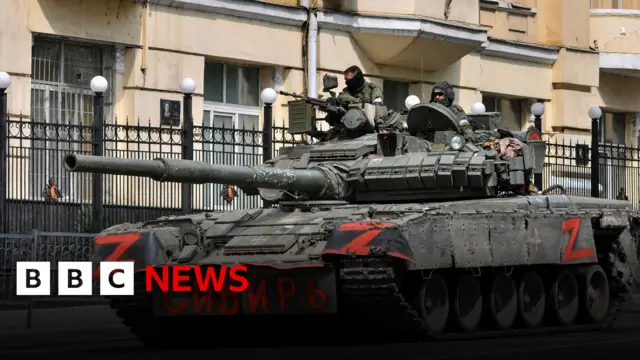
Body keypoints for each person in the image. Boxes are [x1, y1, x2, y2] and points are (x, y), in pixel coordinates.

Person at [336, 65, 389, 130]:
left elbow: (378, 105)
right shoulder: (347, 91)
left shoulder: (373, 89)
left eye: (350, 80)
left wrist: (379, 121)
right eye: (346, 80)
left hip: (370, 125)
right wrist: (356, 101)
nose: (347, 82)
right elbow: (341, 97)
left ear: (357, 78)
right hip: (352, 124)